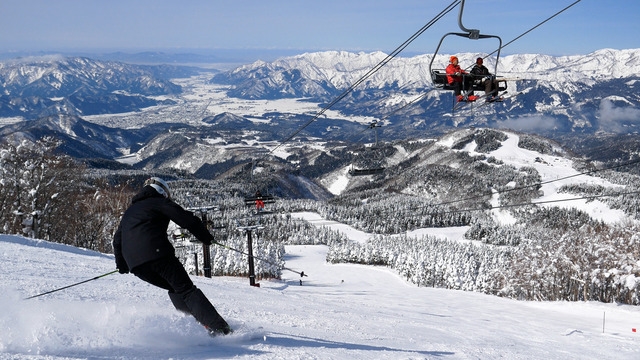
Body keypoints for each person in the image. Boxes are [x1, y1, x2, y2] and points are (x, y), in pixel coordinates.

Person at [113, 177, 232, 336]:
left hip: (136, 266)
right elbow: (187, 219)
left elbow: (117, 239)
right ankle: (221, 330)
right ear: (162, 191)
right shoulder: (158, 201)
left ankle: (195, 326)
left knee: (175, 288)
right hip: (157, 255)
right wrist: (206, 237)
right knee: (187, 290)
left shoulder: (130, 210)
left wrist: (122, 264)